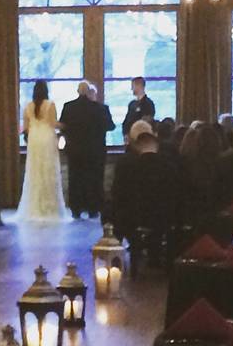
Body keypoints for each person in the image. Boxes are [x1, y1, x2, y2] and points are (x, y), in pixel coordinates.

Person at [111, 124, 182, 258]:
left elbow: (118, 193)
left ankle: (119, 251)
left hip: (133, 216)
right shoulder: (169, 166)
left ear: (136, 145)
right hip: (163, 216)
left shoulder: (126, 165)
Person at [59, 81, 114, 219]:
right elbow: (111, 126)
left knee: (75, 179)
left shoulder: (68, 107)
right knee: (95, 179)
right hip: (96, 150)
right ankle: (93, 208)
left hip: (75, 150)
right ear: (89, 91)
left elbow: (63, 126)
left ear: (78, 91)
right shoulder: (101, 108)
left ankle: (76, 208)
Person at [17, 80, 68, 222]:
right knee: (48, 170)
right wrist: (65, 125)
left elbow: (26, 127)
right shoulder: (50, 105)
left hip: (34, 139)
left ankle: (34, 206)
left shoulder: (28, 106)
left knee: (34, 171)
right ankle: (50, 207)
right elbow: (53, 124)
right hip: (47, 138)